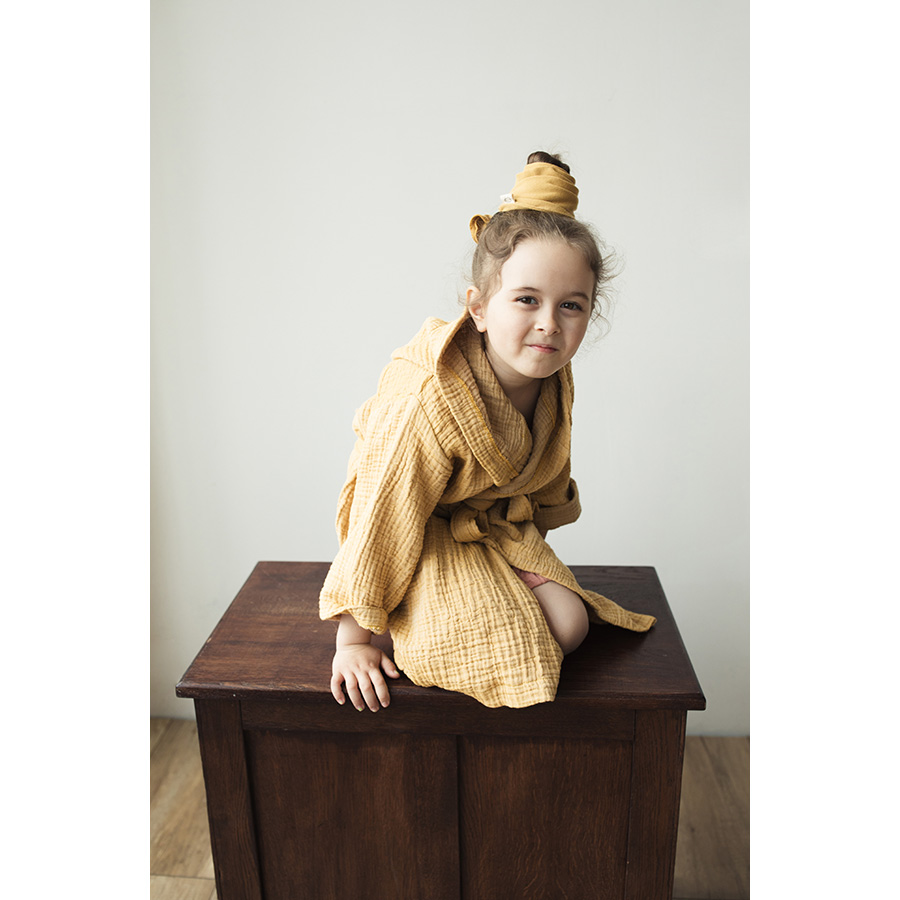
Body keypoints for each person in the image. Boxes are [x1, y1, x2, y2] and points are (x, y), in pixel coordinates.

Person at [319, 151, 655, 713]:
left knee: (571, 625)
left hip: (489, 523)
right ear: (478, 308)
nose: (549, 323)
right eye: (527, 300)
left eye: (571, 306)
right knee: (511, 648)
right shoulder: (428, 401)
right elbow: (383, 513)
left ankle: (488, 590)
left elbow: (543, 473)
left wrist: (526, 551)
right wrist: (352, 642)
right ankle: (400, 615)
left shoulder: (552, 377)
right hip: (417, 528)